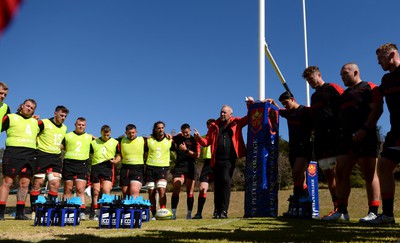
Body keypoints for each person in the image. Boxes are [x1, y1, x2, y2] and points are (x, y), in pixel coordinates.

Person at [323, 63, 383, 222]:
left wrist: (364, 129)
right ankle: (342, 211)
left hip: (367, 136)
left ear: (355, 72)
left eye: (345, 73)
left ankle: (373, 211)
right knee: (341, 172)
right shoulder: (344, 95)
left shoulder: (369, 87)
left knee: (369, 174)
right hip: (346, 139)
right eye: (340, 74)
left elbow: (377, 109)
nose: (342, 76)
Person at [194, 97, 254, 219]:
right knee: (218, 185)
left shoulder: (236, 122)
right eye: (221, 112)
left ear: (230, 114)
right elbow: (207, 142)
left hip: (229, 159)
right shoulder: (214, 126)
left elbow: (249, 118)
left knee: (226, 181)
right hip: (216, 160)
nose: (222, 114)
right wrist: (198, 138)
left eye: (224, 112)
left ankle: (224, 211)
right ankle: (217, 211)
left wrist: (250, 105)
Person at [302, 66, 344, 216]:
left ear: (319, 75)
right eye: (307, 81)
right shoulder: (314, 97)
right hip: (320, 139)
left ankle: (343, 208)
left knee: (338, 172)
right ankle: (336, 207)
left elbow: (345, 104)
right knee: (328, 174)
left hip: (334, 136)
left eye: (311, 79)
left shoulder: (332, 88)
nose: (310, 82)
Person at [367, 43, 400, 224]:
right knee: (385, 166)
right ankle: (387, 215)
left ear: (392, 54)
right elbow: (375, 96)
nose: (379, 63)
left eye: (381, 58)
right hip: (396, 131)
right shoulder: (386, 80)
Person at [267, 92, 313, 203]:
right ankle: (304, 200)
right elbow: (279, 111)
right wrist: (273, 102)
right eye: (283, 104)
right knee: (299, 177)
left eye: (286, 103)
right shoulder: (288, 113)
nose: (285, 106)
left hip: (305, 146)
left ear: (292, 99)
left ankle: (298, 197)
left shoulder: (305, 111)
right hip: (293, 148)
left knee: (297, 172)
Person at [0, 99, 38, 220]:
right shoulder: (10, 117)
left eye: (32, 108)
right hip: (13, 153)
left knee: (25, 183)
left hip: (30, 154)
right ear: (22, 106)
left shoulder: (36, 122)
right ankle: (0, 213)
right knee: (8, 182)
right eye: (27, 106)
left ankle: (20, 213)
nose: (29, 109)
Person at [30, 105, 69, 207]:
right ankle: (35, 209)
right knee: (38, 182)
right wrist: (31, 120)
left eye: (65, 116)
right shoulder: (43, 123)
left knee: (55, 183)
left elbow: (62, 143)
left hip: (56, 157)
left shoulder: (64, 128)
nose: (63, 118)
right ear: (55, 113)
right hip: (41, 155)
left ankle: (50, 208)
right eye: (61, 115)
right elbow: (31, 132)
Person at [62, 117, 93, 220]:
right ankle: (66, 210)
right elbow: (60, 147)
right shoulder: (67, 136)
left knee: (80, 189)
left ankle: (82, 212)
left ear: (85, 126)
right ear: (75, 124)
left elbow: (101, 143)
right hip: (69, 163)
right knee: (68, 189)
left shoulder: (90, 137)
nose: (81, 126)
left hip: (82, 164)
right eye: (79, 124)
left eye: (83, 125)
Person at [89, 125, 120, 220]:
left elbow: (119, 155)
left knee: (106, 190)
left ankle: (106, 212)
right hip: (96, 167)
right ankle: (96, 213)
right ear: (101, 132)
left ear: (110, 133)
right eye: (104, 133)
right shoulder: (94, 142)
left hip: (108, 167)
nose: (106, 135)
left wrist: (115, 161)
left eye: (108, 134)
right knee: (96, 191)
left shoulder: (115, 142)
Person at [170, 123, 200, 220]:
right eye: (183, 133)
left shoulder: (194, 140)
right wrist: (169, 137)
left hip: (190, 167)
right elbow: (169, 138)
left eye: (186, 132)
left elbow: (197, 155)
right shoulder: (178, 138)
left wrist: (186, 150)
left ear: (190, 131)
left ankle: (189, 214)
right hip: (179, 167)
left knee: (189, 191)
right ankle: (173, 213)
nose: (185, 134)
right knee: (176, 186)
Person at [145, 121, 174, 219]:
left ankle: (162, 212)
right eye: (158, 128)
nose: (161, 129)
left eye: (162, 128)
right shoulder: (149, 140)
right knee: (151, 192)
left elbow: (181, 137)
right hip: (150, 167)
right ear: (155, 129)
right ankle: (153, 214)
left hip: (162, 168)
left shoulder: (169, 140)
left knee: (161, 190)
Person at [192, 118, 215, 220]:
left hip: (217, 163)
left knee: (217, 190)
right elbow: (197, 149)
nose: (210, 127)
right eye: (208, 125)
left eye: (212, 125)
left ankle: (218, 212)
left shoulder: (218, 137)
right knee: (202, 189)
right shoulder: (204, 138)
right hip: (206, 164)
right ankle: (199, 213)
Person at [117, 124, 146, 199]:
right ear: (126, 133)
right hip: (125, 168)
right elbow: (107, 140)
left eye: (133, 132)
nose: (131, 134)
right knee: (125, 192)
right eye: (129, 133)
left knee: (134, 191)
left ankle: (134, 210)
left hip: (138, 168)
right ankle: (127, 210)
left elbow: (156, 137)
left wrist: (167, 135)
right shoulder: (121, 141)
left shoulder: (142, 140)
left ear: (136, 132)